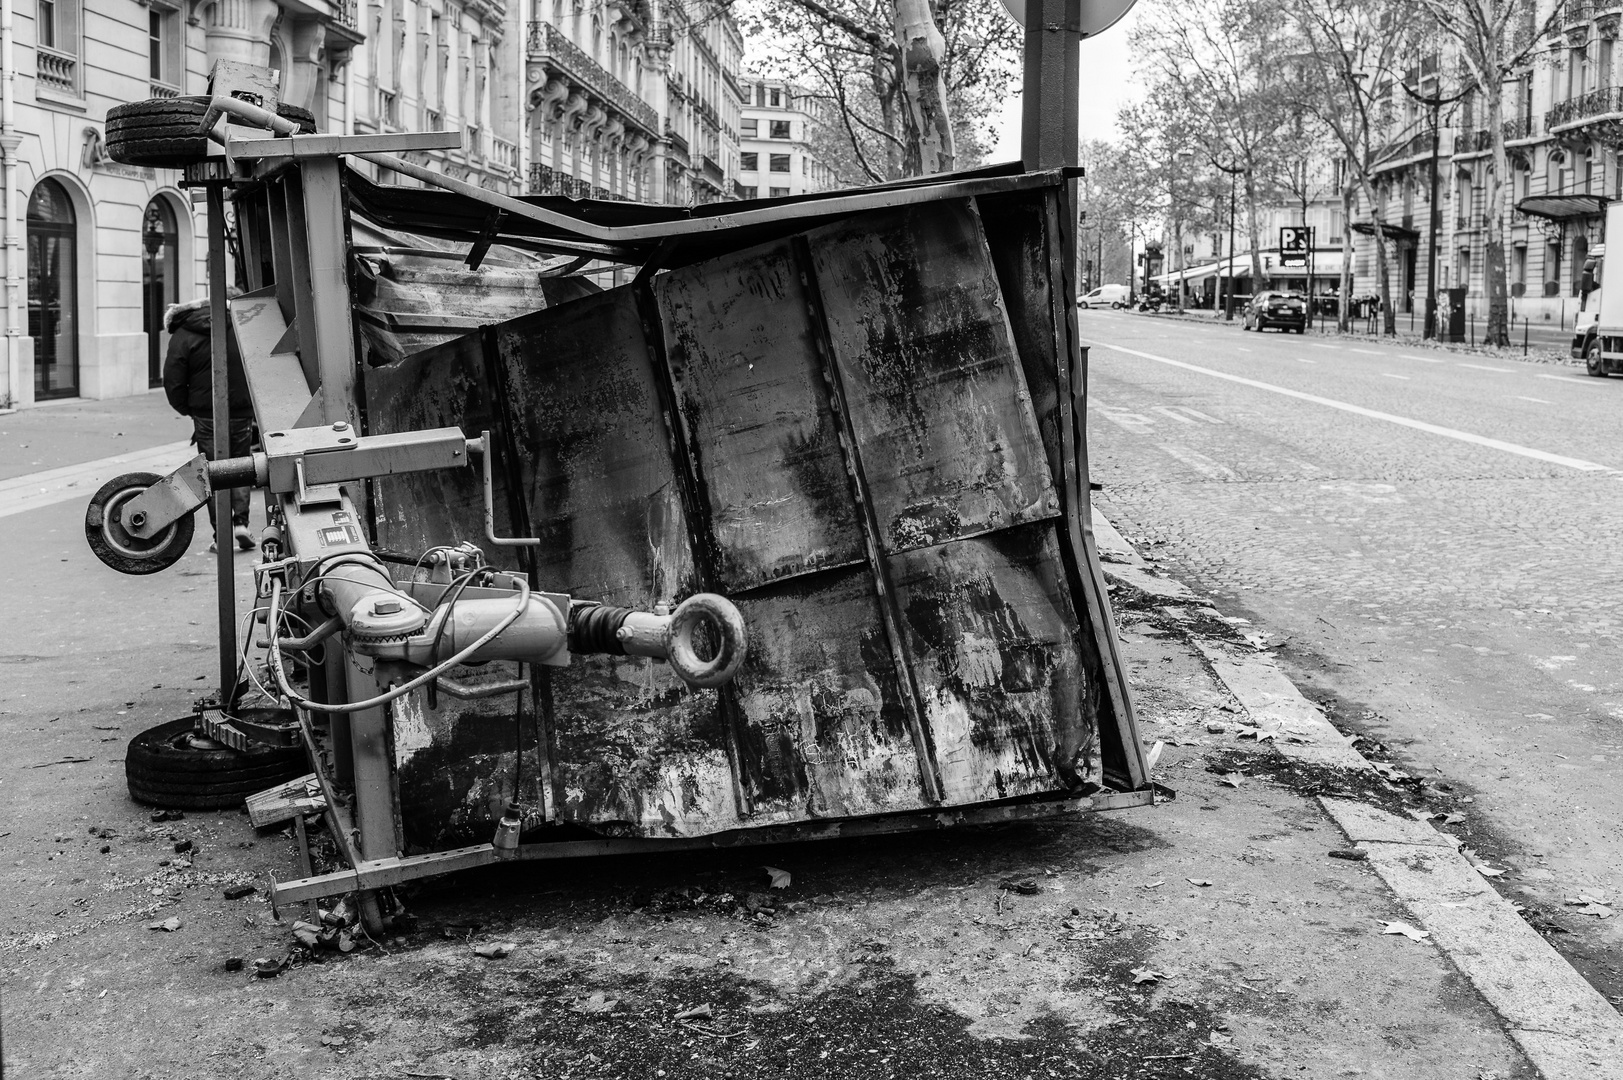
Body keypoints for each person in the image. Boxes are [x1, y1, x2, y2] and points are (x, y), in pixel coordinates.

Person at [162, 295, 255, 552]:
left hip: (205, 413)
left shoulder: (183, 334)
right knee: (241, 465)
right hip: (240, 410)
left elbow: (173, 378)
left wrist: (188, 408)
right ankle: (241, 525)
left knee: (212, 472)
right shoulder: (238, 324)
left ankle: (221, 535)